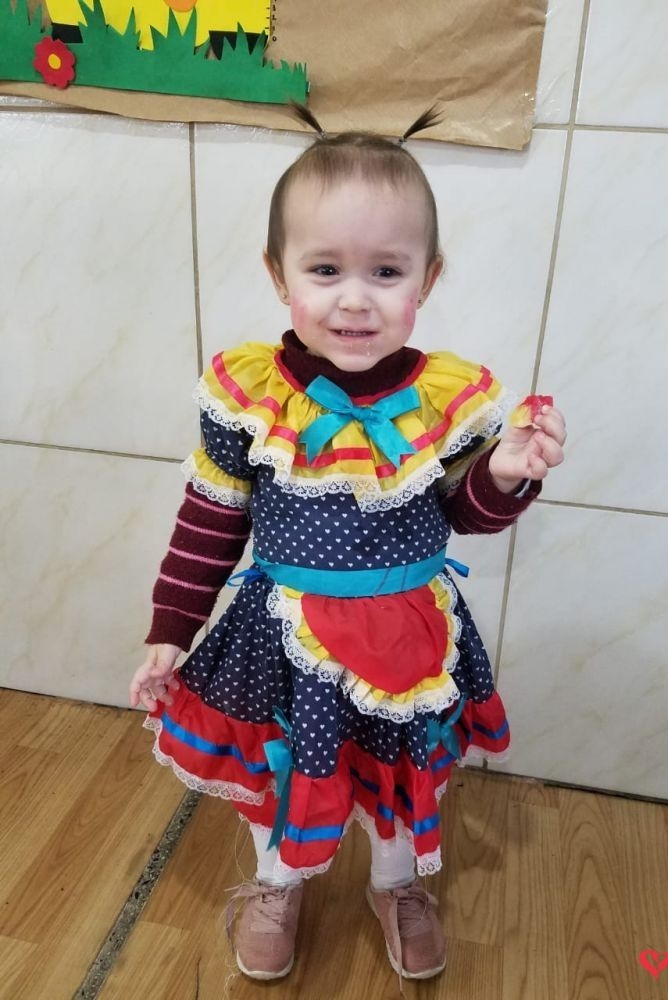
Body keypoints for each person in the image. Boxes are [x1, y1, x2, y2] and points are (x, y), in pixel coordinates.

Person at [129, 104, 566, 986]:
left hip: (407, 634)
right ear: (278, 272)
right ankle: (278, 880)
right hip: (279, 636)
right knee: (284, 764)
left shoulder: (446, 400)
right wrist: (171, 627)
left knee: (401, 769)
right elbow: (211, 518)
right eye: (325, 269)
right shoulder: (251, 396)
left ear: (426, 280)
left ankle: (397, 883)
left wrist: (507, 471)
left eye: (386, 271)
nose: (355, 298)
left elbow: (468, 512)